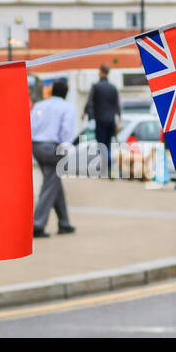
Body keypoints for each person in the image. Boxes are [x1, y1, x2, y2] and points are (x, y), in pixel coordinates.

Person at [31, 78, 78, 238]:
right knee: (50, 184)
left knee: (54, 182)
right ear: (66, 94)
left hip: (36, 146)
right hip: (53, 147)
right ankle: (37, 224)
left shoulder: (40, 105)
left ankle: (64, 222)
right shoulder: (67, 108)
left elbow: (31, 126)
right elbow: (67, 132)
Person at [84, 64, 123, 179]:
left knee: (102, 146)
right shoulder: (113, 87)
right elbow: (117, 106)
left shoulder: (96, 86)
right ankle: (107, 170)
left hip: (100, 120)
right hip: (111, 121)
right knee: (108, 145)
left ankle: (108, 167)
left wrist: (87, 114)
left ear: (101, 72)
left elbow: (90, 102)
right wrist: (119, 121)